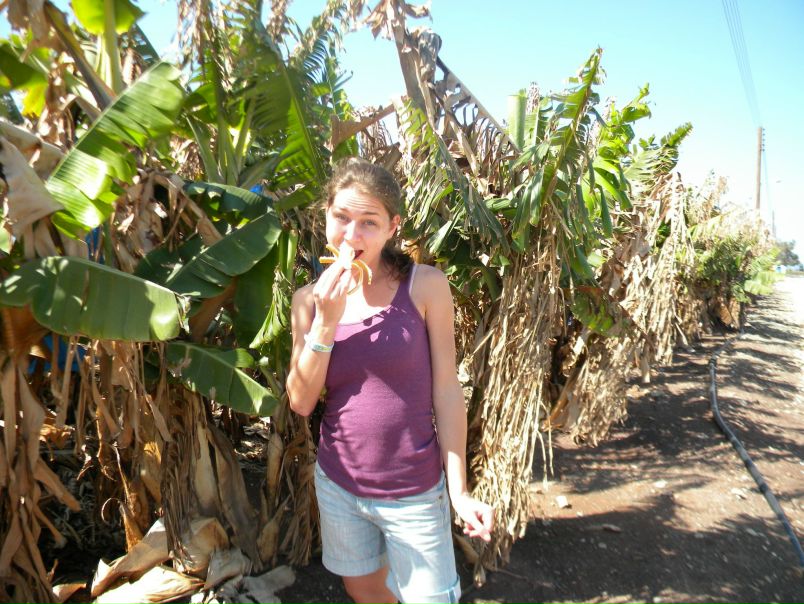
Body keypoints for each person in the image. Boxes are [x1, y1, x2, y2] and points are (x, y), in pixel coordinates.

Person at [286, 157, 493, 604]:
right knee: (365, 591)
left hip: (414, 490)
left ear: (392, 227)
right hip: (340, 485)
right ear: (325, 216)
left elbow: (446, 389)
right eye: (341, 218)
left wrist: (458, 491)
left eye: (369, 222)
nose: (351, 235)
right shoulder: (309, 300)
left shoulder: (425, 287)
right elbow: (301, 402)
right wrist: (325, 322)